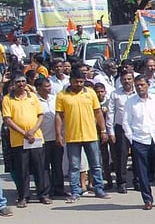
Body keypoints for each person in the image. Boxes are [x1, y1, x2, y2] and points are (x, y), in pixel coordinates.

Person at [55, 68, 111, 203]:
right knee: (74, 167)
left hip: (90, 135)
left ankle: (98, 189)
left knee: (96, 165)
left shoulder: (90, 93)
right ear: (70, 81)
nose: (79, 84)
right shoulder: (62, 95)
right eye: (76, 82)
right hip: (72, 136)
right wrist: (58, 134)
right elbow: (58, 116)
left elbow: (98, 113)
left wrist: (103, 130)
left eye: (81, 82)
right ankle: (75, 191)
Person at [123, 75, 155, 210]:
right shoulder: (130, 102)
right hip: (140, 140)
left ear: (148, 85)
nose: (140, 87)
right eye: (137, 85)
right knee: (142, 172)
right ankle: (147, 200)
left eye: (142, 85)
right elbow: (126, 123)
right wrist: (132, 139)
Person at [2, 71, 49, 207]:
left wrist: (33, 131)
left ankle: (43, 195)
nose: (21, 84)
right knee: (22, 170)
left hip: (36, 138)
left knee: (40, 167)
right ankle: (23, 197)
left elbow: (40, 115)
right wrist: (24, 133)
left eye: (23, 81)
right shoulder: (7, 99)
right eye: (18, 82)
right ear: (13, 84)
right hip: (19, 140)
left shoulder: (33, 97)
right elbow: (7, 120)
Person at [35, 76, 64, 198]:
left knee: (57, 165)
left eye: (49, 86)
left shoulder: (54, 99)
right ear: (38, 89)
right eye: (46, 87)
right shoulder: (34, 101)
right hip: (42, 139)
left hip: (56, 137)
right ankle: (45, 191)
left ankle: (59, 189)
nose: (49, 89)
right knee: (44, 167)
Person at [108, 71, 136, 193]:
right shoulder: (115, 94)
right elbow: (110, 113)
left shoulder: (138, 93)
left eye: (129, 79)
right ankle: (121, 182)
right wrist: (110, 131)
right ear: (121, 80)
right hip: (121, 128)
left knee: (138, 156)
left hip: (137, 128)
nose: (127, 81)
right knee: (121, 157)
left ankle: (138, 181)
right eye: (124, 79)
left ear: (133, 79)